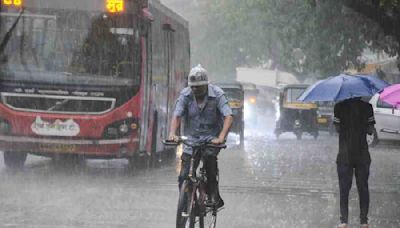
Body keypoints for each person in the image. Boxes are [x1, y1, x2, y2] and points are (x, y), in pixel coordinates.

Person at [168, 64, 233, 208]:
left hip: (211, 141)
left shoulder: (217, 94)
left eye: (199, 87)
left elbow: (228, 116)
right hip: (191, 141)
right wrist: (173, 134)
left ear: (206, 85)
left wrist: (221, 137)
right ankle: (186, 202)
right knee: (183, 175)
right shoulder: (185, 95)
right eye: (193, 87)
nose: (195, 90)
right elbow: (177, 115)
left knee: (209, 160)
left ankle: (213, 194)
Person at [333, 97, 376, 228]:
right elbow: (370, 130)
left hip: (345, 154)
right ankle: (364, 221)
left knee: (344, 189)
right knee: (363, 188)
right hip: (362, 154)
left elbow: (337, 129)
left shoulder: (339, 107)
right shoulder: (367, 107)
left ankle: (343, 221)